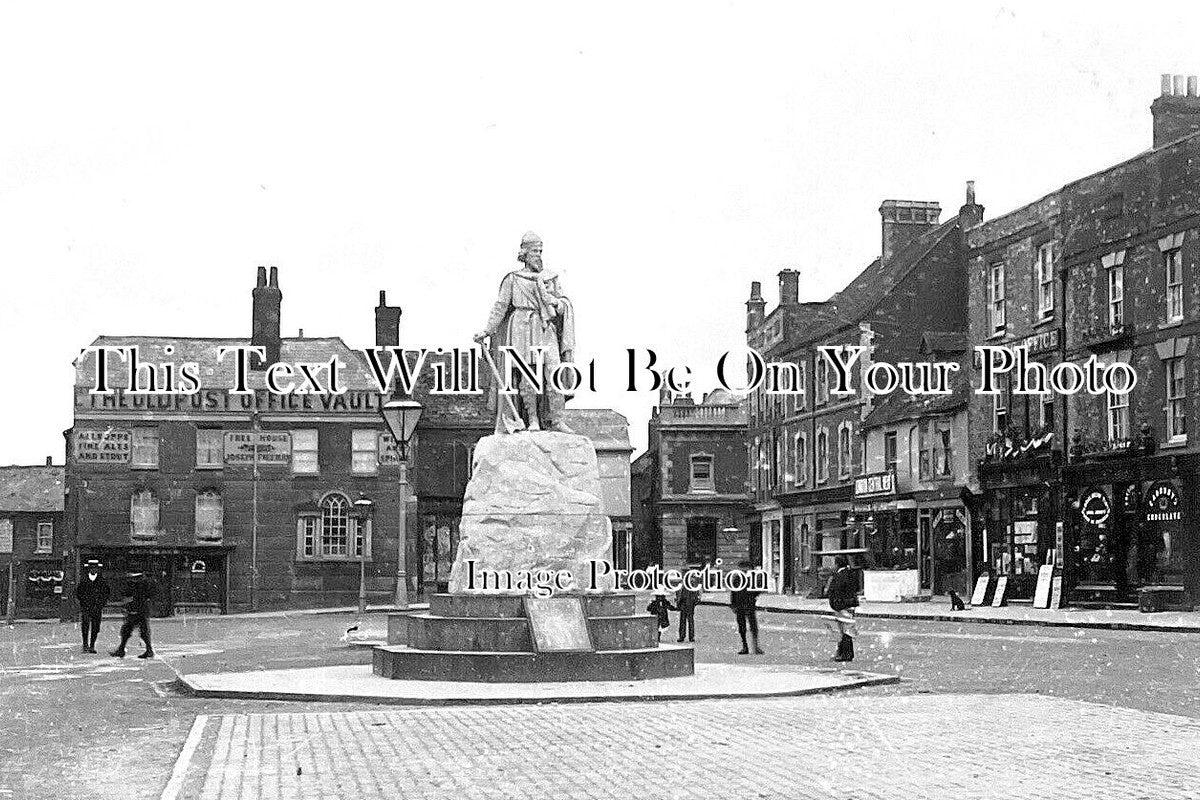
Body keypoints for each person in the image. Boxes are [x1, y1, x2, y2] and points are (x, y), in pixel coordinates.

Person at [474, 232, 576, 435]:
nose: (538, 255)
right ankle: (532, 419)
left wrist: (555, 301)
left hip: (544, 326)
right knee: (527, 376)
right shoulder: (513, 279)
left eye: (540, 251)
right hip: (521, 326)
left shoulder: (550, 278)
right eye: (534, 251)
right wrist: (487, 330)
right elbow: (501, 306)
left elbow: (563, 304)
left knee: (553, 372)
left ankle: (556, 419)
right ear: (524, 253)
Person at [110, 570, 155, 659]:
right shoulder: (141, 585)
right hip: (138, 610)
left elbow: (133, 597)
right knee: (133, 631)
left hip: (138, 611)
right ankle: (147, 650)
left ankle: (122, 650)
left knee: (133, 631)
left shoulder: (139, 586)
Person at [827, 555, 859, 662]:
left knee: (845, 630)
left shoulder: (843, 575)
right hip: (844, 605)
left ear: (837, 564)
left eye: (834, 563)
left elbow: (839, 590)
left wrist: (838, 603)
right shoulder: (845, 573)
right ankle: (841, 652)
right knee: (843, 630)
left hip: (843, 606)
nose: (833, 566)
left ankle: (846, 654)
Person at [74, 559, 110, 654]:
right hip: (86, 607)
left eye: (95, 568)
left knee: (95, 627)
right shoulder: (84, 580)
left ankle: (92, 645)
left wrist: (101, 604)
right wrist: (84, 601)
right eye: (92, 568)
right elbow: (79, 592)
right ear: (89, 569)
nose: (94, 570)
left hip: (97, 608)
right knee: (85, 625)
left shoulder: (102, 580)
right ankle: (85, 644)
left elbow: (106, 593)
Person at [730, 560, 763, 655]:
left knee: (753, 626)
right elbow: (733, 592)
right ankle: (746, 647)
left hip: (748, 604)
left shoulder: (751, 578)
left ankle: (755, 647)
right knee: (742, 627)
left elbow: (758, 590)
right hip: (741, 605)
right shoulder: (737, 578)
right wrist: (733, 605)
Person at [675, 564, 701, 643]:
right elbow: (678, 592)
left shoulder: (692, 582)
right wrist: (678, 600)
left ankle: (690, 637)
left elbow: (696, 593)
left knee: (689, 620)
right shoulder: (682, 582)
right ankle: (682, 636)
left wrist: (695, 601)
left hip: (689, 603)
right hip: (683, 603)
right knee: (683, 620)